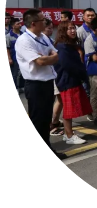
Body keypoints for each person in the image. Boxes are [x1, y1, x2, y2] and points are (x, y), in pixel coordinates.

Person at [15, 10, 67, 158]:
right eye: (42, 20)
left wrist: (48, 57)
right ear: (33, 23)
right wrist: (47, 57)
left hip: (48, 82)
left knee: (45, 120)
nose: (45, 22)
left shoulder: (43, 37)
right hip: (35, 85)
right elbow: (40, 61)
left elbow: (55, 55)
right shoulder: (24, 40)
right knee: (38, 120)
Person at [53, 21, 92, 145]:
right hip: (67, 81)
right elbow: (68, 65)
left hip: (72, 80)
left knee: (70, 108)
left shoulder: (69, 45)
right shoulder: (62, 47)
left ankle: (67, 133)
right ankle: (69, 135)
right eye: (69, 29)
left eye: (74, 28)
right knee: (68, 110)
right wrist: (82, 75)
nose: (73, 31)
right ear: (63, 31)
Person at [83, 17, 97, 126]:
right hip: (95, 71)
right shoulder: (89, 40)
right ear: (96, 29)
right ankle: (96, 116)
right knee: (95, 94)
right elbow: (94, 58)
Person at [6, 18, 22, 92]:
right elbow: (7, 48)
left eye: (20, 23)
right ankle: (15, 88)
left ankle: (21, 87)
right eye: (17, 24)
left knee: (22, 73)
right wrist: (9, 58)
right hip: (14, 57)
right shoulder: (8, 36)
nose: (20, 25)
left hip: (23, 57)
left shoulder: (23, 34)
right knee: (14, 74)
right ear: (13, 26)